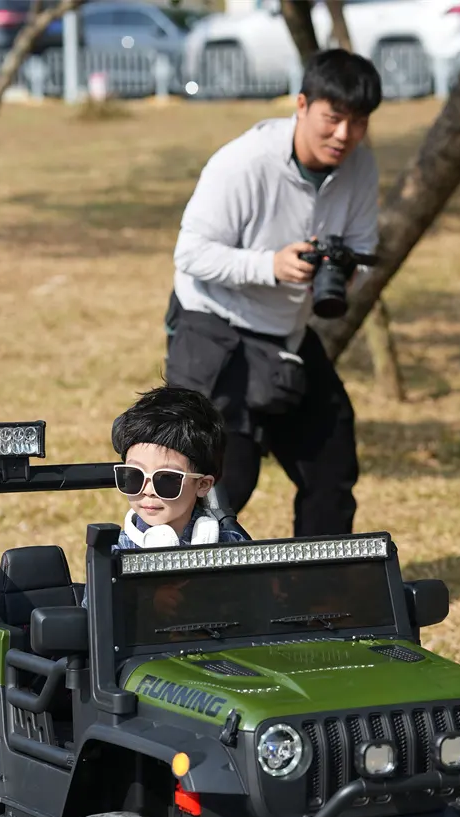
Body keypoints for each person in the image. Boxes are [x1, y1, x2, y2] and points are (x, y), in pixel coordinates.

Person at [164, 47, 382, 538]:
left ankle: (318, 598)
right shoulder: (245, 163)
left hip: (286, 333)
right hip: (214, 325)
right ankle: (173, 597)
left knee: (331, 464)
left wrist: (343, 273)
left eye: (359, 122)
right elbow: (191, 253)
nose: (344, 135)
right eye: (334, 118)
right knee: (219, 483)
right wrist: (272, 265)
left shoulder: (360, 167)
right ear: (302, 105)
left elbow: (365, 249)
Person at [108, 385, 250, 550]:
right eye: (134, 475)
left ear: (203, 485)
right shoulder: (114, 553)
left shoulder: (231, 548)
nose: (148, 490)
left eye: (167, 478)